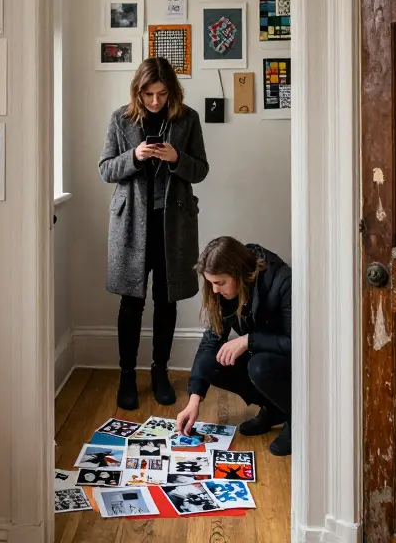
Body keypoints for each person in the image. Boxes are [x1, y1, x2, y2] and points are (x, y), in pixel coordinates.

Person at [98, 57, 208, 411]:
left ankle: (160, 372)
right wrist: (135, 155)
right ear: (138, 91)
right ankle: (127, 376)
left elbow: (201, 170)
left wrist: (176, 158)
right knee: (131, 303)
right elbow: (105, 169)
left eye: (162, 94)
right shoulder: (121, 118)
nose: (156, 101)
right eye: (149, 94)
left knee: (166, 300)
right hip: (131, 224)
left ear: (172, 91)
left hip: (172, 226)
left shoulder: (188, 119)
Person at [175, 236, 292, 456]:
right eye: (211, 283)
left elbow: (297, 344)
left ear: (238, 272)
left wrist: (249, 340)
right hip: (262, 357)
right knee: (209, 363)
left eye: (219, 283)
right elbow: (210, 342)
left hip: (289, 365)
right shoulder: (225, 292)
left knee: (259, 365)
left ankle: (296, 418)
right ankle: (274, 409)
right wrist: (194, 400)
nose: (214, 290)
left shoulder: (283, 281)